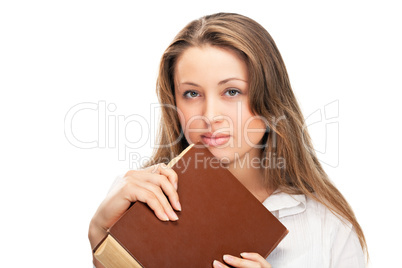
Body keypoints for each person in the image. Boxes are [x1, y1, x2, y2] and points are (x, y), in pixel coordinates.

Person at [88, 12, 368, 267]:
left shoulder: (330, 228)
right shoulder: (137, 199)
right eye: (192, 94)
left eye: (232, 92)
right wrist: (99, 233)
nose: (209, 116)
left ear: (270, 98)